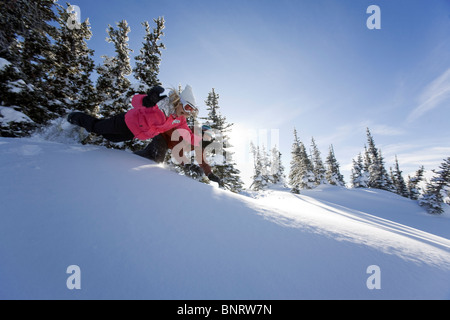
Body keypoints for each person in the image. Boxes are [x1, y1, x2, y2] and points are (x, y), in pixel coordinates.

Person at [67, 84, 200, 146]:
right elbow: (135, 101)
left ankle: (88, 129)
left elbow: (187, 134)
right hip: (124, 122)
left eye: (192, 111)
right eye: (187, 107)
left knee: (110, 138)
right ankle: (74, 117)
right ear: (179, 101)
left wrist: (201, 142)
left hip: (133, 134)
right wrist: (146, 100)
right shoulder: (159, 103)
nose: (188, 112)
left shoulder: (179, 120)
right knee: (97, 128)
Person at [134, 124, 224, 187]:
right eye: (207, 136)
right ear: (201, 133)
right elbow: (178, 149)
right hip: (163, 137)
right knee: (155, 160)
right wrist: (186, 164)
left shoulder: (199, 144)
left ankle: (131, 157)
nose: (207, 139)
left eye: (209, 138)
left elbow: (202, 162)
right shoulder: (189, 134)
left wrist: (210, 174)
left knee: (147, 155)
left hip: (167, 143)